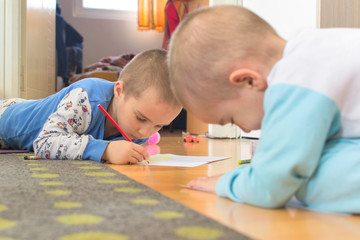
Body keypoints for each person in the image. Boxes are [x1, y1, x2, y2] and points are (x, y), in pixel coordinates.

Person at [168, 5, 360, 213]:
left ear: (248, 80)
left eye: (232, 119)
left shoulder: (295, 80)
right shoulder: (315, 47)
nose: (247, 130)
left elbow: (269, 188)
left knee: (310, 179)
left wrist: (227, 183)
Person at [0, 49, 181, 165]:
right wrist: (105, 150)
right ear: (119, 90)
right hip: (6, 117)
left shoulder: (135, 129)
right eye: (141, 118)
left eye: (158, 126)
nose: (145, 132)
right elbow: (44, 142)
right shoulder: (86, 97)